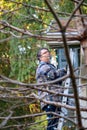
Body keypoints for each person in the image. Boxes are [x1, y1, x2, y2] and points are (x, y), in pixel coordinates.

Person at [36, 48, 66, 130]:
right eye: (44, 53)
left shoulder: (50, 66)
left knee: (55, 124)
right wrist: (65, 70)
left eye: (48, 52)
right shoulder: (43, 67)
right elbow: (53, 75)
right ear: (40, 57)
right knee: (52, 125)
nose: (47, 53)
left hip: (54, 99)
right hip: (50, 100)